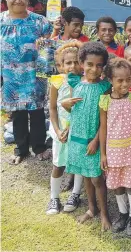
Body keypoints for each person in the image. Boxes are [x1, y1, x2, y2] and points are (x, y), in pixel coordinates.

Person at [1, 0, 52, 165]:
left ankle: (39, 147)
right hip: (10, 77)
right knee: (18, 114)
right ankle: (21, 149)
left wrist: (45, 43)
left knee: (37, 112)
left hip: (34, 75)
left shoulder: (40, 22)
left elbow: (50, 45)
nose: (18, 0)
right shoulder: (0, 22)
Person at [61, 42, 111, 231]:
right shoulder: (75, 82)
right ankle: (92, 209)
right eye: (89, 64)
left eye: (99, 65)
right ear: (82, 63)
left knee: (97, 178)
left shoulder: (105, 87)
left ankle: (104, 214)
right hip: (77, 138)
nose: (94, 69)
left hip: (94, 139)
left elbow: (106, 119)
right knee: (85, 175)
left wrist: (96, 140)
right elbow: (71, 108)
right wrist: (65, 105)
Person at [99, 57, 131, 237]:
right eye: (120, 80)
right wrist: (103, 154)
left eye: (128, 79)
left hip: (130, 149)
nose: (125, 83)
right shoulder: (105, 101)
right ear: (110, 80)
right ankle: (123, 213)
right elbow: (103, 128)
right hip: (112, 151)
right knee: (117, 184)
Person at [46, 41, 84, 215]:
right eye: (68, 63)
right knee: (58, 165)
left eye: (76, 62)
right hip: (60, 131)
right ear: (61, 66)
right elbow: (52, 108)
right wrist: (58, 129)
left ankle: (75, 194)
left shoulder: (85, 83)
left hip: (79, 131)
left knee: (78, 164)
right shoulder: (56, 82)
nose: (73, 66)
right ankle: (54, 197)